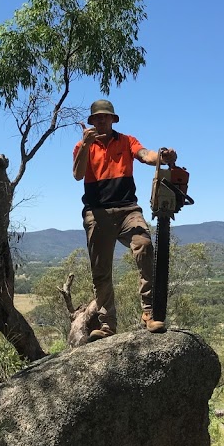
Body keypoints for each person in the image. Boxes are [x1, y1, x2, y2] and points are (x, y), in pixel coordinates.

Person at [72, 99, 177, 342]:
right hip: (97, 213)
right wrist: (87, 145)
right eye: (97, 117)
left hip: (128, 209)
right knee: (101, 270)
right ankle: (107, 325)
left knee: (144, 245)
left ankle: (149, 313)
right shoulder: (82, 146)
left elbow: (145, 155)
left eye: (105, 117)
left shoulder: (126, 141)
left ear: (113, 119)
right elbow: (77, 174)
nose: (101, 121)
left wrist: (162, 156)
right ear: (92, 121)